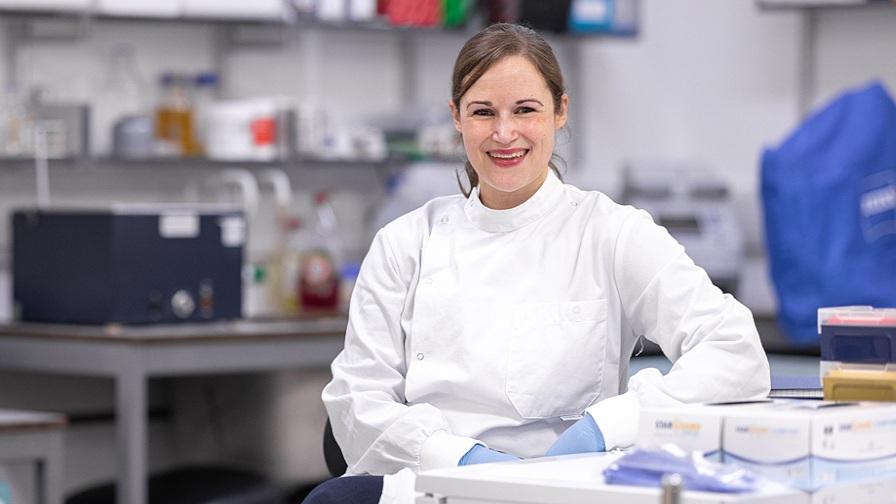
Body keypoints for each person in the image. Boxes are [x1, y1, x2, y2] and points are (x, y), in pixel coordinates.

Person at [304, 22, 770, 504]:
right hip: (430, 486)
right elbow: (356, 400)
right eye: (483, 112)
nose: (505, 134)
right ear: (457, 118)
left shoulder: (610, 232)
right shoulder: (405, 244)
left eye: (525, 110)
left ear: (560, 111)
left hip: (568, 487)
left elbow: (735, 351)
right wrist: (461, 461)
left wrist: (603, 427)